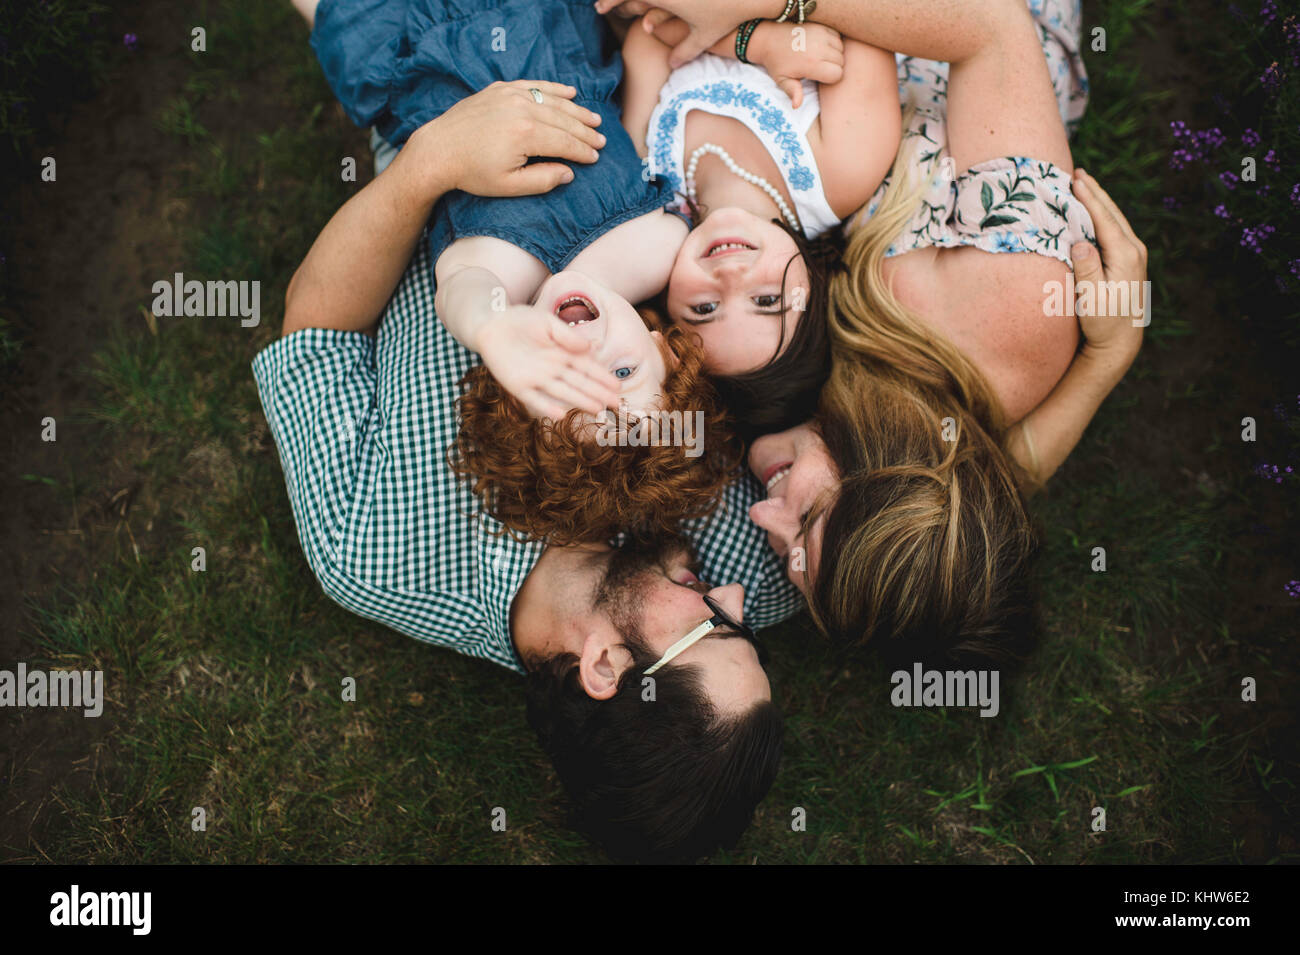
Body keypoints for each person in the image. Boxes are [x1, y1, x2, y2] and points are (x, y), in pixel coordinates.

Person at [255, 51, 803, 861]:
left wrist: (433, 159)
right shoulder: (757, 550)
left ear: (605, 664)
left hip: (422, 87)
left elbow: (314, 328)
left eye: (717, 630)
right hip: (609, 78)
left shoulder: (367, 548)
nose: (738, 598)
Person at [605, 0, 1147, 665]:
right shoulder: (1004, 306)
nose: (760, 519)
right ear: (887, 469)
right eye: (805, 520)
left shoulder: (926, 453)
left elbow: (1000, 482)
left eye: (787, 557)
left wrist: (1110, 361)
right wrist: (764, 8)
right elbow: (991, 34)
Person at [303, 0, 736, 544]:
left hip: (410, 46)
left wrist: (491, 329)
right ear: (665, 351)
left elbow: (464, 289)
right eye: (622, 374)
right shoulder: (662, 246)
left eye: (564, 385)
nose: (586, 350)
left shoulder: (504, 273)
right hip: (543, 23)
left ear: (514, 391)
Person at [620, 14, 901, 437]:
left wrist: (756, 43)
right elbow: (866, 18)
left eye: (704, 309)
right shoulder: (844, 169)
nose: (731, 277)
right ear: (814, 286)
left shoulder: (649, 175)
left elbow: (645, 36)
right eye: (768, 300)